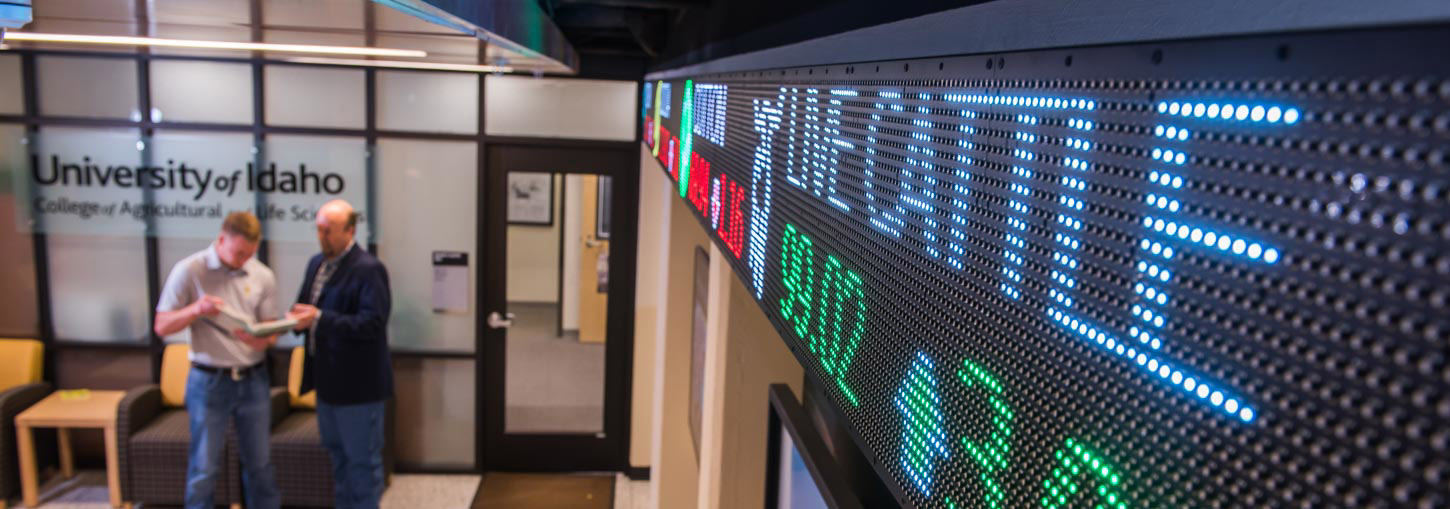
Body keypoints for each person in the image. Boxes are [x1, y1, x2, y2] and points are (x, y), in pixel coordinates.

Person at [153, 211, 281, 509]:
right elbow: (162, 326)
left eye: (249, 254)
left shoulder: (262, 274)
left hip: (253, 378)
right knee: (204, 467)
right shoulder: (189, 270)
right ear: (221, 239)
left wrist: (259, 337)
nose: (242, 260)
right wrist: (196, 310)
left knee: (260, 464)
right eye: (238, 253)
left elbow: (271, 331)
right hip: (209, 381)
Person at [286, 199, 393, 509]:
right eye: (319, 230)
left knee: (362, 465)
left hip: (359, 389)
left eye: (329, 231)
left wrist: (319, 318)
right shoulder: (315, 264)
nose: (322, 237)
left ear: (350, 230)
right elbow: (305, 307)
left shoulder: (368, 269)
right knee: (338, 461)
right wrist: (289, 321)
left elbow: (372, 323)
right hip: (327, 384)